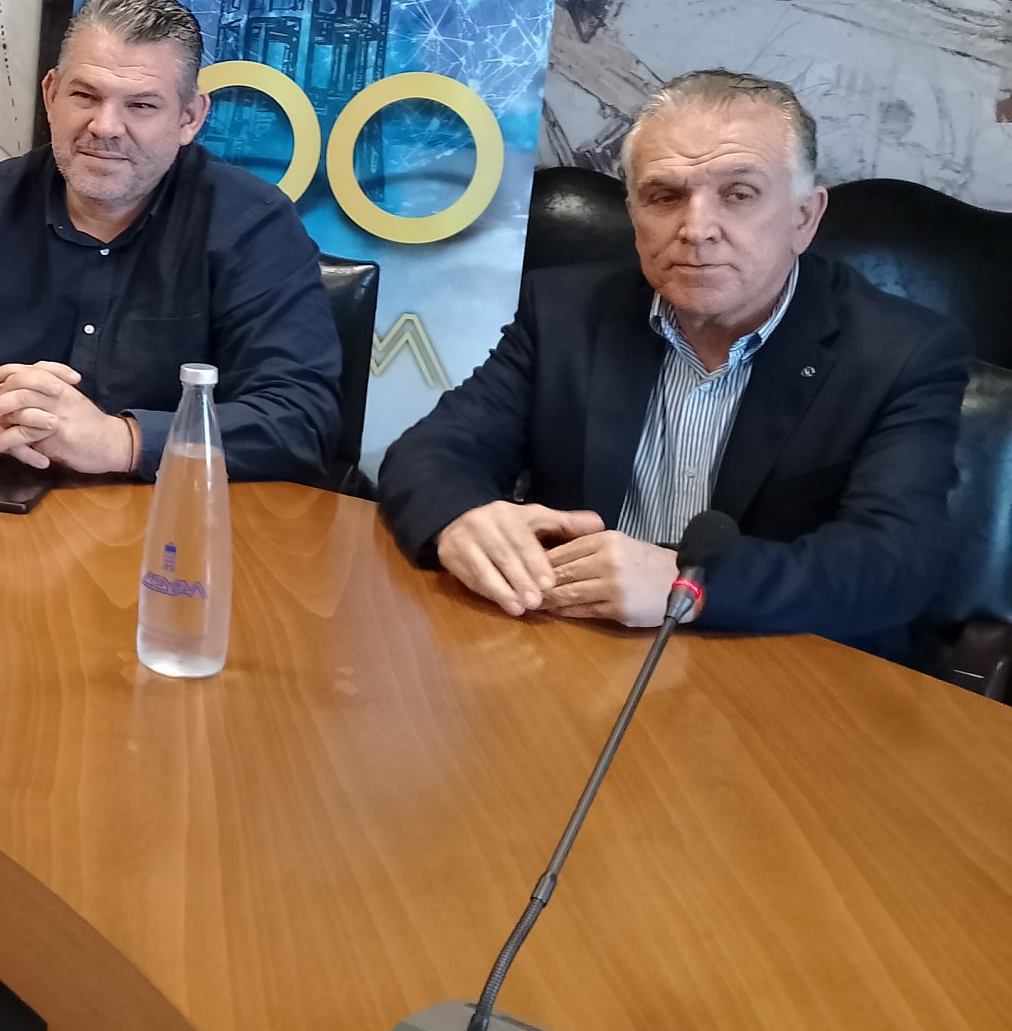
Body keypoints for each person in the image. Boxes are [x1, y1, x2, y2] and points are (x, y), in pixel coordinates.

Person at [379, 70, 971, 657]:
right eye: (664, 196)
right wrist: (460, 517)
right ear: (633, 213)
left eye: (739, 195)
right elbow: (433, 452)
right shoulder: (563, 309)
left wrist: (690, 586)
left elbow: (895, 563)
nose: (696, 229)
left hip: (775, 666)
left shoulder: (902, 353)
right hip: (571, 646)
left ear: (804, 217)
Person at [0, 0, 339, 483]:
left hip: (176, 511)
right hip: (5, 501)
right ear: (51, 95)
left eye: (141, 105)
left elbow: (301, 417)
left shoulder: (252, 224)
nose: (105, 127)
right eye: (85, 96)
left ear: (189, 118)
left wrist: (122, 441)